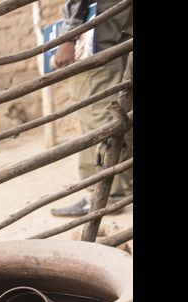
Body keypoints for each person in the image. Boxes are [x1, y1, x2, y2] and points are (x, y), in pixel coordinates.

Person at [50, 0, 133, 217]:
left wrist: (67, 38)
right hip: (120, 22)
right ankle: (123, 183)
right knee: (123, 103)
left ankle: (106, 195)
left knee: (97, 110)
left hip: (98, 27)